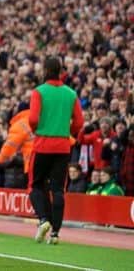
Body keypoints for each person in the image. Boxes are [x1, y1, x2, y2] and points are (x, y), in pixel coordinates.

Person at [28, 56, 84, 245]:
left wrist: (38, 130)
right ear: (61, 70)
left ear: (45, 70)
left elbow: (33, 119)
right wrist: (68, 133)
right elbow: (79, 122)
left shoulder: (39, 92)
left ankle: (44, 220)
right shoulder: (71, 93)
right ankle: (55, 233)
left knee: (35, 186)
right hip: (62, 146)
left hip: (42, 144)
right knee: (58, 189)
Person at [0, 107, 32, 188]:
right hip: (9, 179)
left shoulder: (21, 128)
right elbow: (1, 163)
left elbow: (2, 157)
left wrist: (13, 159)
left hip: (22, 177)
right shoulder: (8, 142)